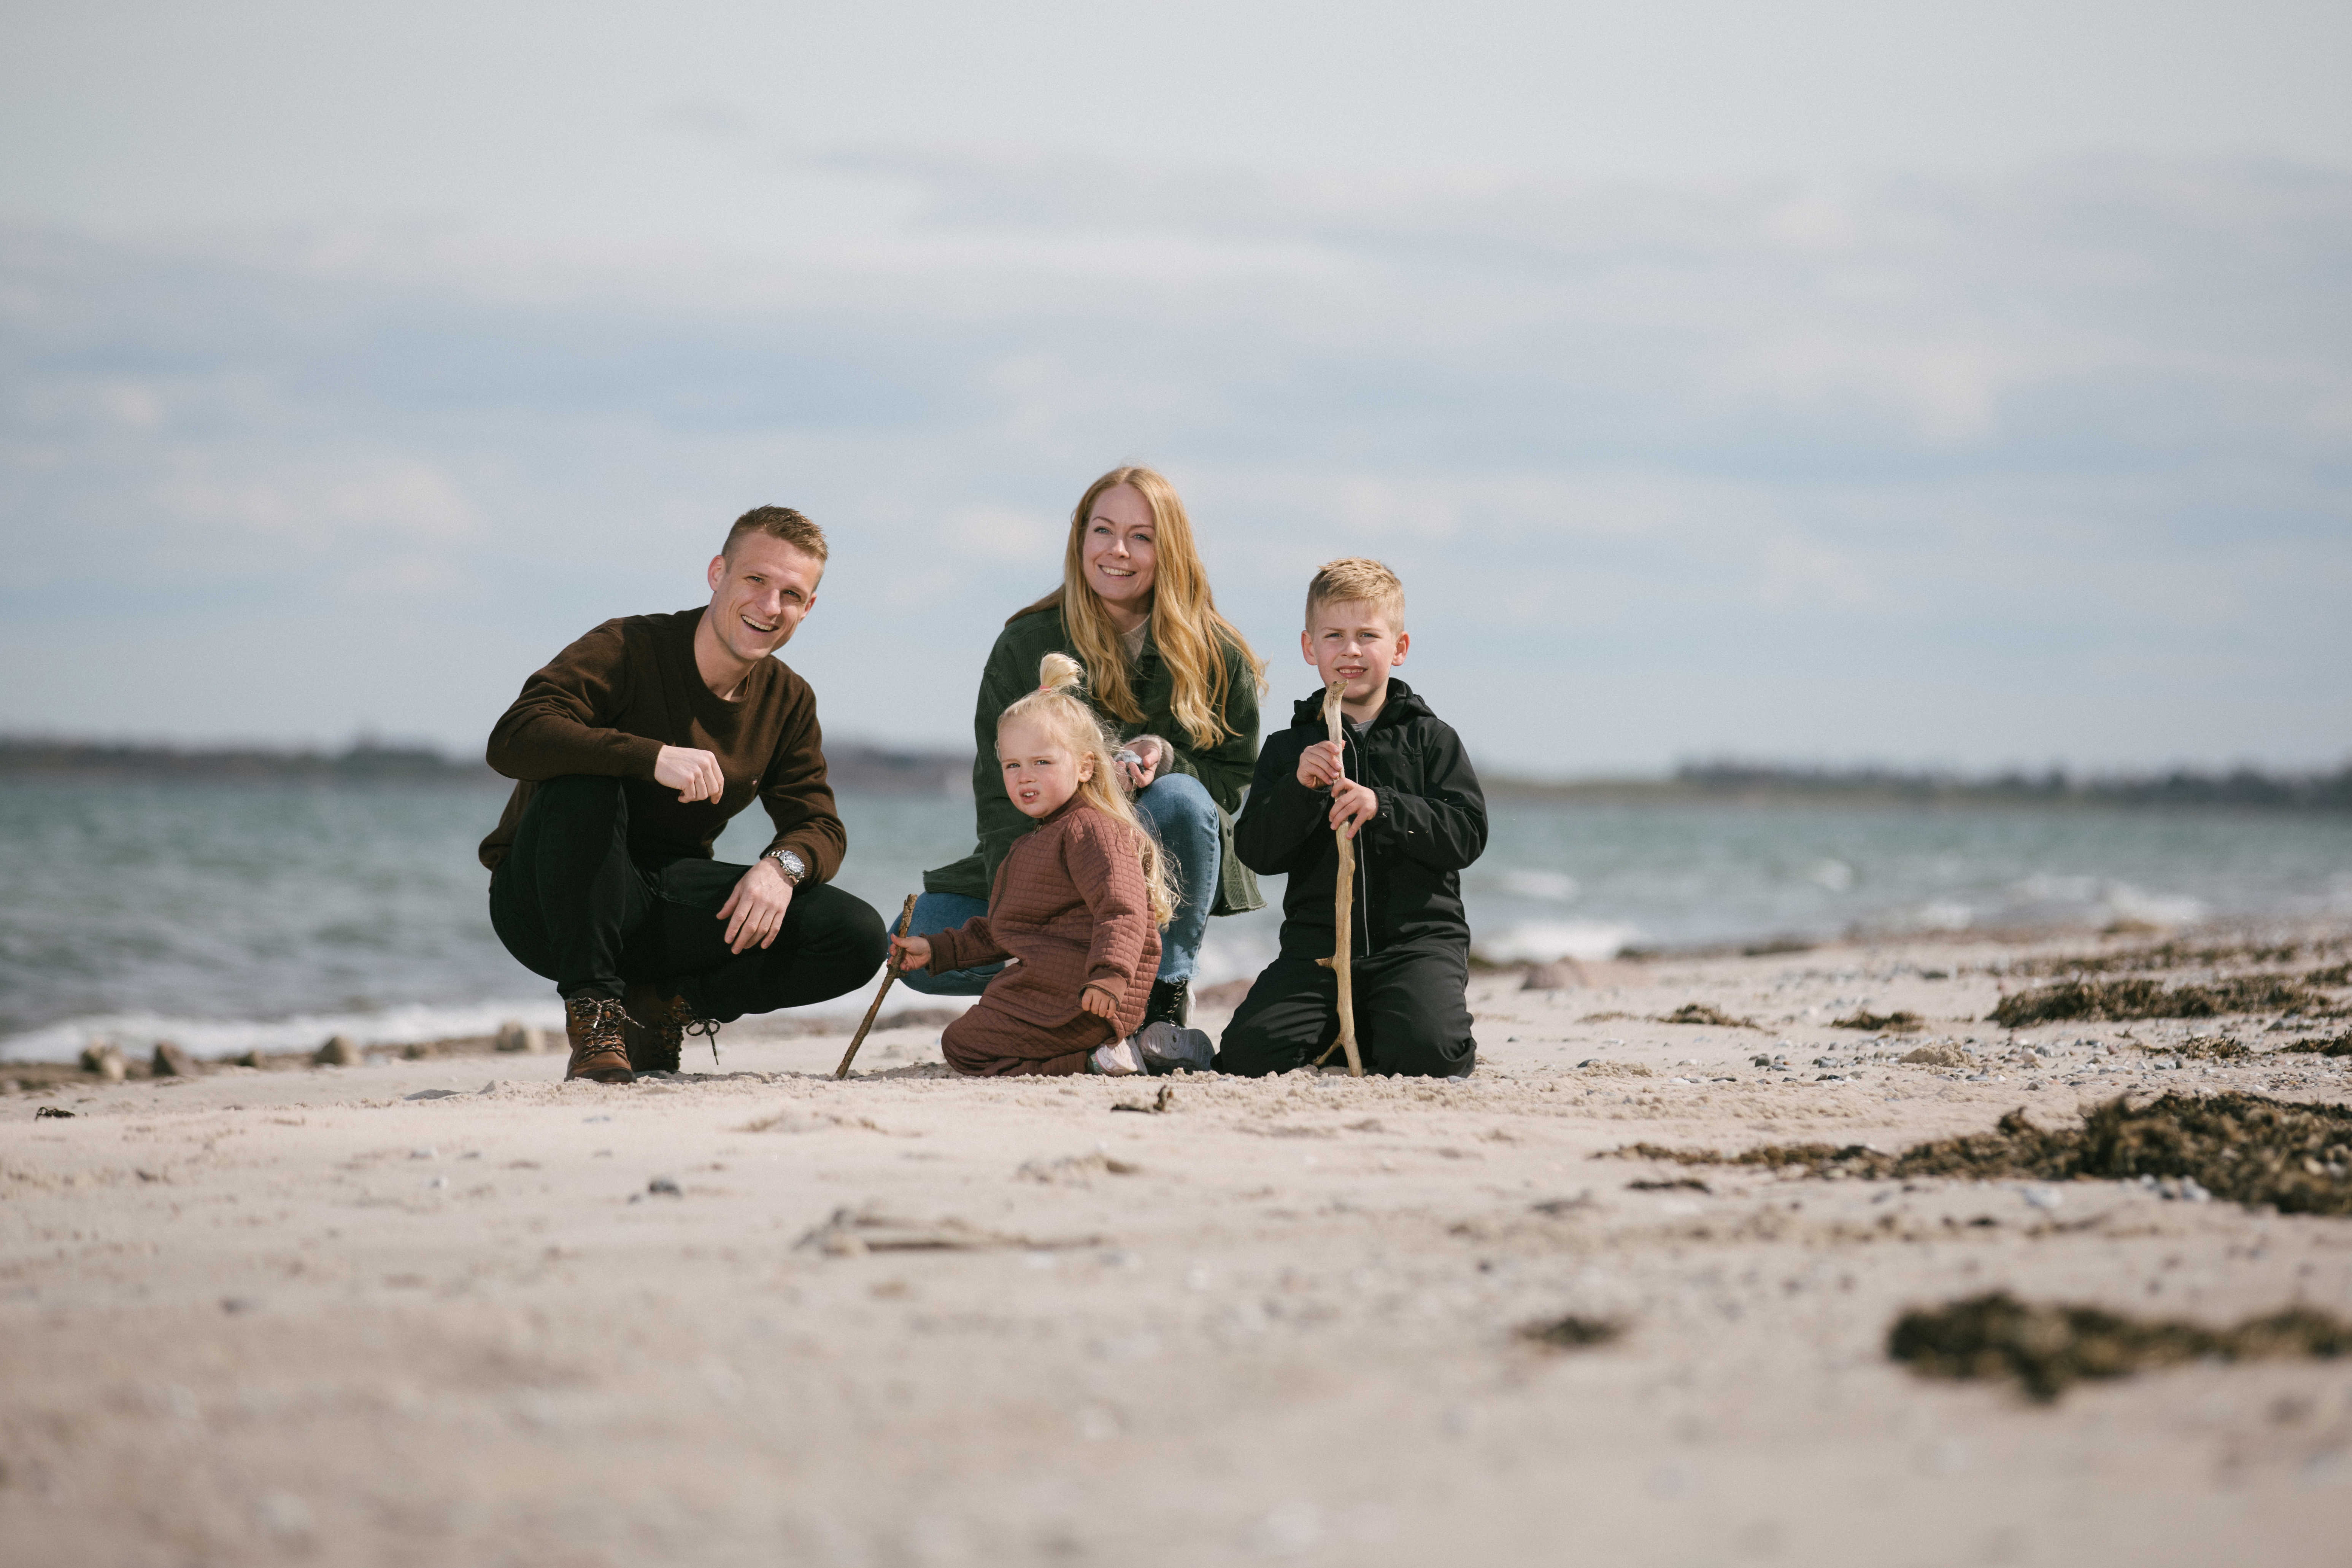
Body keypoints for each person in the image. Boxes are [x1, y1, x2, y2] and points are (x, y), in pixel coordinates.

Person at [478, 506, 889, 1083]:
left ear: (809, 607)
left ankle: (664, 1008)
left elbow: (819, 824)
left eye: (791, 594)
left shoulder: (788, 699)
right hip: (547, 900)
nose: (770, 607)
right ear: (718, 572)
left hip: (659, 902)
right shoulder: (628, 646)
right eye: (756, 580)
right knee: (585, 779)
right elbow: (515, 736)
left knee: (857, 934)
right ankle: (596, 1018)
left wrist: (781, 868)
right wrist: (650, 757)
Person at [905, 465, 1266, 1026]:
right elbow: (998, 799)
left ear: (1168, 548)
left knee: (1182, 798)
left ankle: (1164, 995)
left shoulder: (1217, 652)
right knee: (914, 939)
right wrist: (1027, 910)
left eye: (1141, 536)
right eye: (1103, 530)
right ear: (1080, 538)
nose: (1117, 550)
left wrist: (1168, 759)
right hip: (1051, 870)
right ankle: (1057, 981)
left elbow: (1232, 783)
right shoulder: (1025, 642)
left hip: (1150, 879)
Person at [1215, 558, 1487, 1078]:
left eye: (1368, 635)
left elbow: (1468, 833)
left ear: (1399, 648)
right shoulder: (1288, 747)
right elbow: (1256, 852)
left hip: (1415, 945)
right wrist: (1299, 790)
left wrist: (1384, 806)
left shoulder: (1432, 739)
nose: (1351, 650)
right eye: (1334, 635)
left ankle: (1389, 1021)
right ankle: (1348, 1030)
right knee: (1247, 1054)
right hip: (1315, 951)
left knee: (1429, 1054)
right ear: (1309, 647)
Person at [890, 655, 1215, 1077]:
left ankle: (1097, 1059)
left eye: (1041, 762)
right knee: (965, 1036)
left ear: (1084, 766)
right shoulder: (1032, 842)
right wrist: (937, 949)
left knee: (963, 1046)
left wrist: (1109, 976)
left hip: (1088, 995)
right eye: (1013, 765)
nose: (1025, 777)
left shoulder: (1093, 830)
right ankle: (1105, 1056)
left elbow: (1124, 910)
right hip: (1047, 985)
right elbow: (1005, 928)